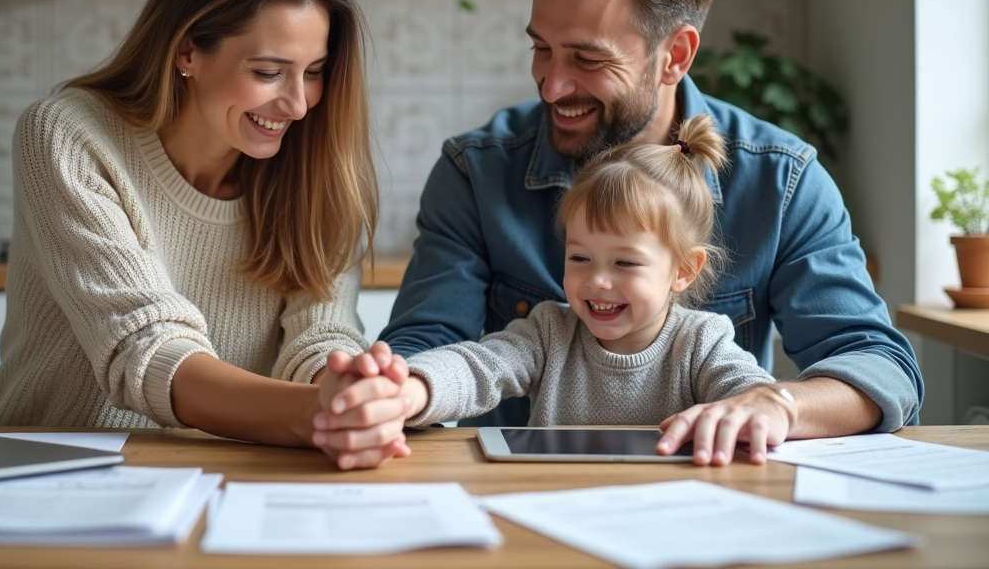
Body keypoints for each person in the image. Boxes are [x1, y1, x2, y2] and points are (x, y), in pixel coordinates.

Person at [339, 0, 922, 464]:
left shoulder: (782, 180)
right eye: (542, 49)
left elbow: (879, 366)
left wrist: (777, 404)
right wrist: (392, 390)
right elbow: (428, 349)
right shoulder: (475, 171)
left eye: (588, 60)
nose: (551, 86)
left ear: (675, 56)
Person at [0, 0, 411, 470]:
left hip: (213, 472)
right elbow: (150, 349)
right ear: (187, 51)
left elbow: (319, 333)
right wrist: (316, 415)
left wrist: (347, 390)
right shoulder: (67, 134)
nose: (298, 105)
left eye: (315, 71)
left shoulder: (316, 175)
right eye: (268, 71)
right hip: (39, 468)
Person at [334, 116, 791, 464]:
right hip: (555, 504)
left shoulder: (701, 341)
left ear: (684, 270)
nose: (596, 280)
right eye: (579, 258)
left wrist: (760, 408)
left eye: (625, 262)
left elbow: (751, 394)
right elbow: (478, 367)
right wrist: (409, 391)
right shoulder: (549, 331)